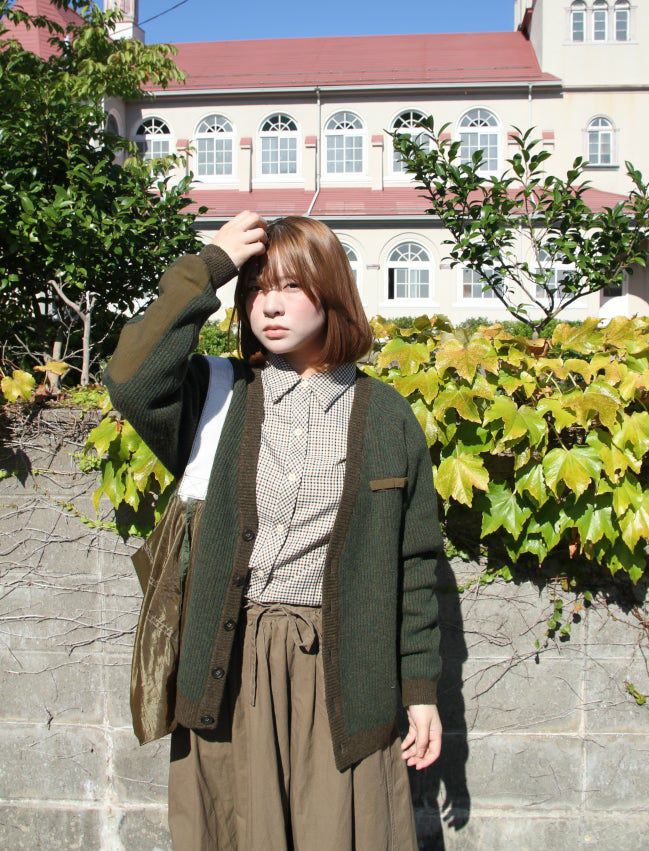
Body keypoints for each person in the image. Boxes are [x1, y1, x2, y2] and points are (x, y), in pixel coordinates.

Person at [103, 210, 444, 850]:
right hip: (230, 667)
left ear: (332, 291)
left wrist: (421, 691)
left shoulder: (386, 416)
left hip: (346, 675)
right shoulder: (217, 396)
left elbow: (415, 564)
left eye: (290, 286)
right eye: (257, 288)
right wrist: (211, 267)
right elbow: (130, 378)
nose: (271, 304)